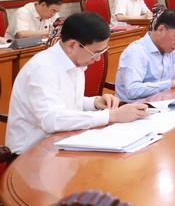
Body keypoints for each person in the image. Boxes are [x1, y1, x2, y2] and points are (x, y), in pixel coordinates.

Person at [5, 12, 149, 154]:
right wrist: (111, 116)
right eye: (96, 52)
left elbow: (67, 102)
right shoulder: (42, 69)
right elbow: (52, 120)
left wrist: (94, 103)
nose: (98, 59)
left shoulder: (75, 62)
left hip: (63, 143)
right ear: (72, 45)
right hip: (30, 155)